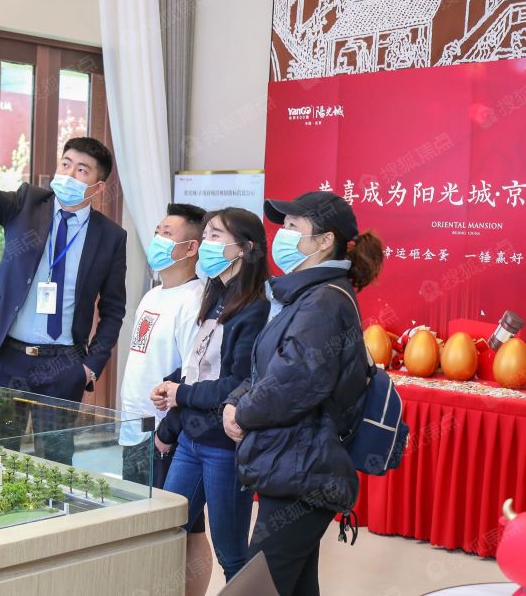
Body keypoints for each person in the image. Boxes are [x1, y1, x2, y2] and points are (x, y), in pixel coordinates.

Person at [0, 110, 127, 466]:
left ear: (98, 187)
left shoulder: (110, 236)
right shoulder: (28, 203)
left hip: (63, 364)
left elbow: (113, 310)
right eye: (66, 164)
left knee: (54, 463)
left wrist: (90, 366)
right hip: (7, 359)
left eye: (82, 170)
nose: (69, 174)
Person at [222, 191, 384, 596]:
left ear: (325, 241)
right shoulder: (306, 295)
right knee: (293, 586)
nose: (283, 233)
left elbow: (294, 382)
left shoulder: (323, 303)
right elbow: (270, 369)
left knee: (256, 586)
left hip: (302, 470)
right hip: (295, 464)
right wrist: (235, 400)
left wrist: (242, 412)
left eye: (294, 226)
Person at [152, 207, 271, 588]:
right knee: (167, 533)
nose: (206, 244)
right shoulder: (215, 294)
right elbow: (199, 364)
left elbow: (238, 381)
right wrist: (172, 388)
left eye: (216, 236)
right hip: (191, 438)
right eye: (205, 236)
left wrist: (181, 394)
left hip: (223, 445)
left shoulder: (255, 308)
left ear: (244, 248)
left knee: (231, 552)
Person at [118, 203, 211, 595]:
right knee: (140, 526)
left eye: (167, 234)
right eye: (157, 230)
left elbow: (193, 376)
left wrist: (169, 431)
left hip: (165, 435)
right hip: (133, 427)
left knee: (183, 529)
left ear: (191, 247)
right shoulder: (153, 294)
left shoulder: (196, 300)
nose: (157, 239)